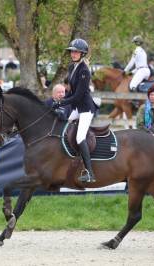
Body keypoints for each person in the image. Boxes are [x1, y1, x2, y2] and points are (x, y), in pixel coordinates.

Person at [53, 38, 97, 183]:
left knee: (80, 138)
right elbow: (71, 93)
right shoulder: (72, 68)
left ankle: (89, 172)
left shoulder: (84, 70)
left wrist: (62, 102)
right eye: (72, 51)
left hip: (85, 109)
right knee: (64, 124)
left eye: (76, 52)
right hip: (77, 107)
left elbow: (78, 96)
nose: (73, 54)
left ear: (82, 53)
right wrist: (60, 103)